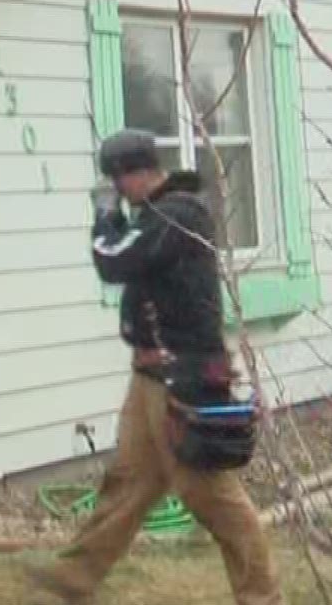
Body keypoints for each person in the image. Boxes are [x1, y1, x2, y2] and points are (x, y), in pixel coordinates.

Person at [31, 129, 280, 604]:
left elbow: (115, 260)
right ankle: (73, 580)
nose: (117, 191)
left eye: (118, 181)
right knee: (127, 484)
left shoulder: (179, 213)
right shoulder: (157, 216)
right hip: (150, 377)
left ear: (137, 173)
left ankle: (262, 596)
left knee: (212, 497)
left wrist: (104, 215)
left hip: (184, 378)